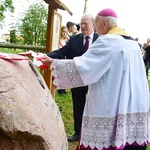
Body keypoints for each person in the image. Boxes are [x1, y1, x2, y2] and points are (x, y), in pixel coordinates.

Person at [41, 8, 150, 150]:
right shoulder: (133, 44)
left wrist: (52, 63)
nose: (96, 31)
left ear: (103, 23)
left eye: (96, 25)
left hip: (113, 104)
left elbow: (83, 66)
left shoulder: (107, 41)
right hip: (134, 104)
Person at [46, 14, 98, 142]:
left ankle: (93, 133)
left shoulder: (100, 39)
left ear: (93, 24)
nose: (83, 26)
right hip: (77, 79)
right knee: (78, 105)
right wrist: (44, 56)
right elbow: (61, 52)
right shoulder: (74, 39)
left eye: (86, 23)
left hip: (95, 80)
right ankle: (78, 132)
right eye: (81, 24)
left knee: (95, 106)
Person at [57, 25, 69, 95]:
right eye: (63, 31)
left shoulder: (66, 41)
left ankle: (63, 89)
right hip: (59, 59)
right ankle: (60, 90)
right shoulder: (58, 40)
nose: (64, 33)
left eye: (66, 32)